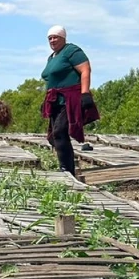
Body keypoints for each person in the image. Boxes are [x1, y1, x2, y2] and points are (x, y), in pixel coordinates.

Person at [41, 25, 98, 174]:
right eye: (50, 38)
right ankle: (66, 165)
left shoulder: (71, 51)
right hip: (56, 101)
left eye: (55, 37)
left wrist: (85, 93)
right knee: (55, 134)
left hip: (70, 99)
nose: (52, 40)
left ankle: (66, 169)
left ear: (63, 38)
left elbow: (85, 69)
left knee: (60, 131)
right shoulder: (52, 57)